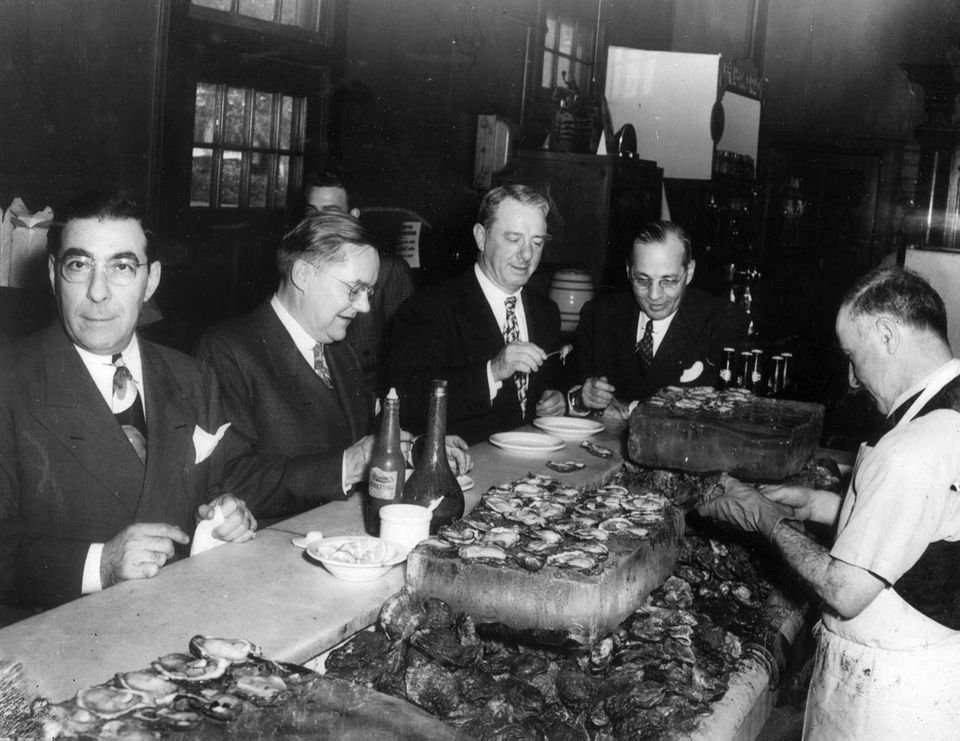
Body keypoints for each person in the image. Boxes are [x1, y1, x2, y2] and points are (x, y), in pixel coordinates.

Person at [698, 266, 960, 738]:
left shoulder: (913, 450)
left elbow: (845, 590)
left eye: (852, 356)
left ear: (886, 334)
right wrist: (816, 504)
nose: (852, 378)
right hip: (933, 667)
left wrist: (766, 519)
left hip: (891, 698)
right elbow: (919, 527)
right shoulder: (947, 411)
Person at [0, 192, 257, 618]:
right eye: (79, 265)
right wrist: (99, 565)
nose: (98, 292)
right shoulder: (9, 381)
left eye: (121, 267)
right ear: (52, 275)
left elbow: (210, 496)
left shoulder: (192, 377)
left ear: (150, 280)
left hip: (178, 624)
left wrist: (228, 518)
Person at [195, 212, 469, 523]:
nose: (364, 306)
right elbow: (227, 480)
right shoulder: (227, 351)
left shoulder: (340, 352)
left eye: (369, 292)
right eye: (354, 289)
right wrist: (346, 465)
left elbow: (367, 438)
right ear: (302, 275)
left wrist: (418, 450)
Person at [388, 184, 566, 444]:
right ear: (481, 237)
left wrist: (557, 399)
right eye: (513, 239)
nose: (527, 254)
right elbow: (408, 406)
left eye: (537, 242)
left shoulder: (546, 312)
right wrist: (492, 371)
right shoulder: (427, 309)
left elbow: (544, 388)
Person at [570, 221, 749, 418]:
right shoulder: (600, 314)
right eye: (642, 280)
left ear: (689, 272)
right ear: (628, 270)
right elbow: (567, 391)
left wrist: (629, 409)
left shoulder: (722, 320)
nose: (654, 295)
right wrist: (580, 399)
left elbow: (722, 410)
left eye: (669, 281)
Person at [304, 171, 415, 394]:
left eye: (331, 212)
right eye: (311, 212)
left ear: (352, 215)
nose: (318, 222)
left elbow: (406, 357)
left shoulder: (387, 271)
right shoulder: (297, 268)